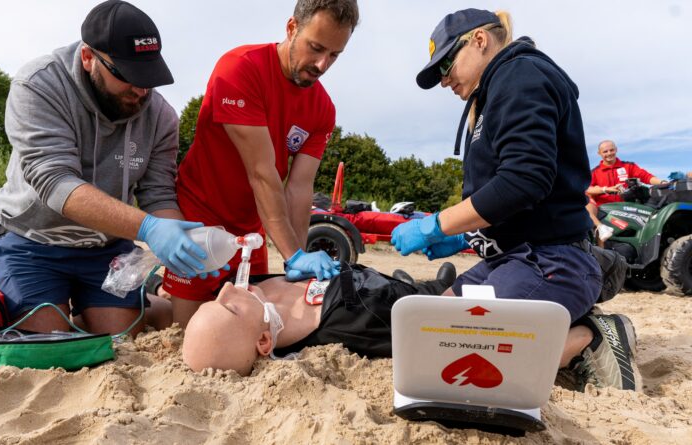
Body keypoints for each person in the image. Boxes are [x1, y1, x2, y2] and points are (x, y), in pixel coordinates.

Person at [391, 9, 641, 391]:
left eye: (446, 63)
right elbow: (511, 200)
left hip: (552, 259)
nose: (444, 79)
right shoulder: (493, 94)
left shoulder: (520, 75)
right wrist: (463, 237)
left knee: (469, 357)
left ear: (479, 41)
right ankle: (556, 322)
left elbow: (525, 180)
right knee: (434, 328)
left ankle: (591, 335)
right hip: (512, 257)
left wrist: (435, 224)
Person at [0, 1, 216, 336]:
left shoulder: (162, 117)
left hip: (105, 248)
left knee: (123, 336)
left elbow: (158, 193)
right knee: (47, 341)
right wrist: (149, 230)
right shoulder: (38, 84)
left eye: (149, 77)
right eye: (128, 76)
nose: (141, 90)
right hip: (32, 240)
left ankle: (140, 301)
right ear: (89, 57)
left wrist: (184, 241)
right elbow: (54, 182)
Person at [162, 0, 360, 326]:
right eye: (316, 48)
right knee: (188, 328)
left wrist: (295, 261)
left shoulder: (322, 108)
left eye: (335, 55)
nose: (322, 64)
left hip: (249, 228)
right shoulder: (239, 68)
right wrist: (293, 253)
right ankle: (160, 292)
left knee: (246, 326)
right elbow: (262, 172)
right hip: (199, 215)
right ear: (292, 28)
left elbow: (298, 187)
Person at [183, 263, 457, 376]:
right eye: (230, 308)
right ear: (264, 341)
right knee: (424, 293)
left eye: (215, 299)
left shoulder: (254, 294)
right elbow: (427, 324)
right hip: (392, 297)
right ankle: (426, 285)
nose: (227, 289)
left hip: (369, 279)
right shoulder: (352, 323)